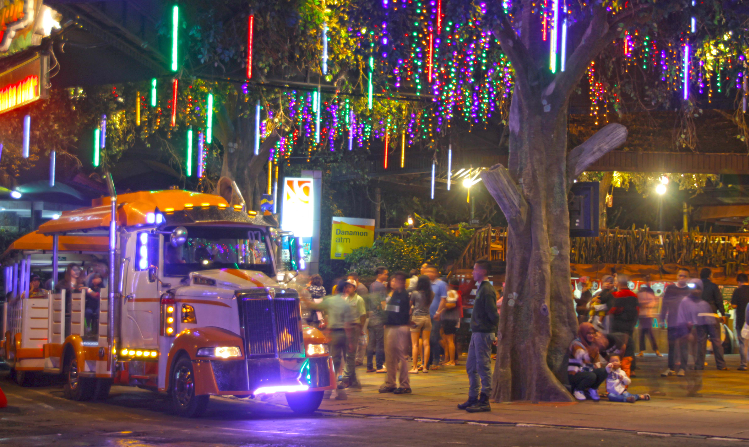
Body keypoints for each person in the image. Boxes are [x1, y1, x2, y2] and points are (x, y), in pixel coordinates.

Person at [300, 280, 355, 400]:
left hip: (333, 335)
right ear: (344, 290)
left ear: (336, 290)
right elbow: (348, 324)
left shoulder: (329, 300)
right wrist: (350, 341)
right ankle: (343, 387)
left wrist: (303, 298)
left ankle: (330, 389)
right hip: (344, 334)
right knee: (344, 361)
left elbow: (313, 306)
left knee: (333, 362)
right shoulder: (346, 304)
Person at [458, 260, 498, 413]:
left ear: (483, 271)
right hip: (477, 332)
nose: (472, 272)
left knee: (483, 366)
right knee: (471, 366)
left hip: (484, 332)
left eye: (475, 269)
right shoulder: (481, 288)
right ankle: (473, 396)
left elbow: (492, 313)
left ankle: (485, 399)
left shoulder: (487, 290)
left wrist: (495, 332)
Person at [676, 279, 712, 396]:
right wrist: (685, 332)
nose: (696, 291)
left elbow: (709, 321)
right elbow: (681, 318)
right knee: (688, 361)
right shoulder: (685, 302)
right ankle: (690, 385)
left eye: (698, 288)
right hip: (687, 335)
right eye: (694, 288)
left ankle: (696, 386)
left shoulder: (704, 304)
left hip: (700, 337)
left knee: (698, 361)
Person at [379, 272, 412, 394]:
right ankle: (390, 382)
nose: (394, 282)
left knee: (401, 357)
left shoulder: (402, 295)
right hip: (391, 326)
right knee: (390, 356)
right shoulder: (395, 294)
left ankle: (404, 384)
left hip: (399, 327)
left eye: (397, 280)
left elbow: (399, 311)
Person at [660, 268, 692, 377]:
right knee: (671, 346)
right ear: (677, 276)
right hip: (672, 321)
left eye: (684, 276)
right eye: (680, 275)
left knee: (683, 346)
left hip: (685, 323)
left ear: (688, 278)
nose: (682, 278)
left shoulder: (689, 291)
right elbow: (664, 304)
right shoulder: (670, 288)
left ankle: (683, 368)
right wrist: (662, 319)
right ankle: (670, 368)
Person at [567, 322, 607, 402]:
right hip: (575, 374)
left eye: (593, 333)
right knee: (591, 376)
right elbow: (582, 356)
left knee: (603, 371)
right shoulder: (576, 344)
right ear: (583, 333)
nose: (591, 336)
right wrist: (594, 348)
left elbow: (597, 362)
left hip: (588, 372)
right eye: (588, 333)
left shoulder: (594, 345)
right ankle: (578, 390)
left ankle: (592, 389)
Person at [339, 279, 367, 389]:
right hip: (346, 327)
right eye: (346, 287)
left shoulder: (359, 300)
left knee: (350, 354)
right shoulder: (345, 299)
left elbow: (363, 315)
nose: (347, 289)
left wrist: (360, 328)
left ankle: (346, 379)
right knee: (347, 354)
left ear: (355, 288)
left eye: (349, 287)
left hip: (354, 327)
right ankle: (353, 380)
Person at [609, 276, 639, 377]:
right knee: (629, 345)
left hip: (618, 324)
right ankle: (631, 369)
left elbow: (613, 309)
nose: (614, 282)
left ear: (619, 282)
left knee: (618, 346)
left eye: (615, 280)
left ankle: (619, 367)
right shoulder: (634, 295)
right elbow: (637, 310)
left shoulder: (617, 295)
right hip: (630, 325)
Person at [699, 268, 728, 370]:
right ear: (709, 275)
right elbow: (719, 301)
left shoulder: (697, 287)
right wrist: (723, 314)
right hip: (712, 316)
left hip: (700, 316)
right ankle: (721, 365)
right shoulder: (713, 286)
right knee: (716, 341)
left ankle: (699, 365)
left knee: (701, 341)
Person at [425, 265, 448, 370]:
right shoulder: (426, 284)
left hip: (436, 316)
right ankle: (427, 361)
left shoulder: (441, 284)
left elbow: (443, 299)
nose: (429, 274)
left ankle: (436, 360)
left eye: (431, 271)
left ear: (436, 273)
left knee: (434, 338)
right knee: (426, 339)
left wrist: (438, 312)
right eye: (427, 271)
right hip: (425, 315)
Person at [366, 267, 388, 373]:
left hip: (372, 316)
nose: (387, 276)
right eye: (385, 274)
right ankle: (379, 366)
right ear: (380, 275)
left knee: (371, 342)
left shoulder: (372, 285)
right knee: (380, 343)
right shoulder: (382, 287)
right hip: (379, 317)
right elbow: (383, 304)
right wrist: (385, 318)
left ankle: (369, 365)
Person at [409, 275, 433, 373]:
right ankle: (425, 367)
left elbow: (409, 305)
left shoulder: (415, 293)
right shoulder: (432, 294)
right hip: (427, 318)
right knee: (426, 343)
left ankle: (414, 367)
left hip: (416, 318)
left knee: (415, 344)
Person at [435, 277, 461, 366]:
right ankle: (447, 359)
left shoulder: (452, 292)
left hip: (450, 318)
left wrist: (442, 305)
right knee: (445, 339)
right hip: (446, 318)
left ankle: (452, 360)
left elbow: (452, 304)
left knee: (450, 340)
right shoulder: (448, 292)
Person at [636, 284, 661, 357]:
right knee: (646, 334)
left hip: (645, 316)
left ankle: (643, 351)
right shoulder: (649, 296)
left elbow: (649, 304)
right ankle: (655, 350)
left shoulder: (642, 296)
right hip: (645, 316)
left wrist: (643, 304)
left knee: (645, 333)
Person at [731, 273, 749, 371]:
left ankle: (744, 364)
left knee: (743, 343)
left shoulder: (738, 291)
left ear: (738, 282)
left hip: (742, 320)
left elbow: (734, 305)